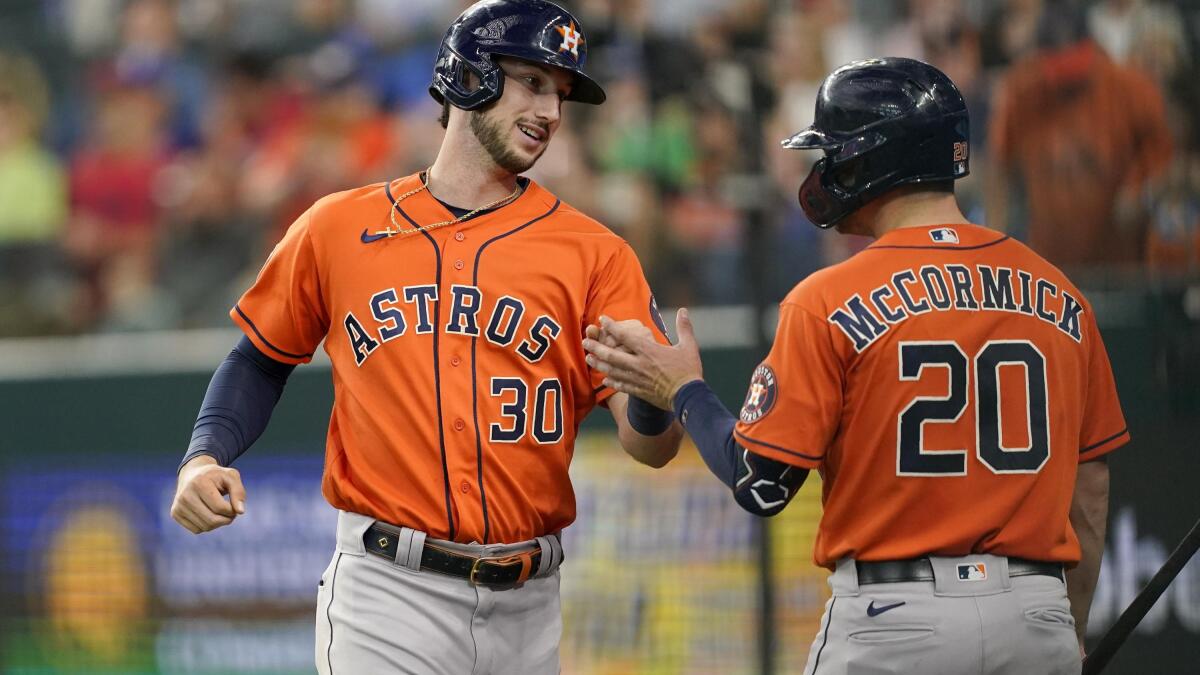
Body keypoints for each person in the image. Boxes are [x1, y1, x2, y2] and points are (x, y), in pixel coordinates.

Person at [169, 2, 683, 673]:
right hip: (388, 592)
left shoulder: (596, 254)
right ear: (470, 76)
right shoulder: (337, 227)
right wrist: (204, 456)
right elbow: (259, 359)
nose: (552, 112)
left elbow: (651, 446)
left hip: (531, 604)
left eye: (559, 93)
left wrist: (652, 397)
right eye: (532, 81)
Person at [583, 57, 1125, 674]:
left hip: (897, 621)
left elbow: (759, 483)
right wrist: (1067, 629)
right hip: (1036, 617)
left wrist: (681, 388)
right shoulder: (1061, 294)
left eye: (834, 151)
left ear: (877, 159)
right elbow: (1091, 487)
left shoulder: (828, 298)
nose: (825, 168)